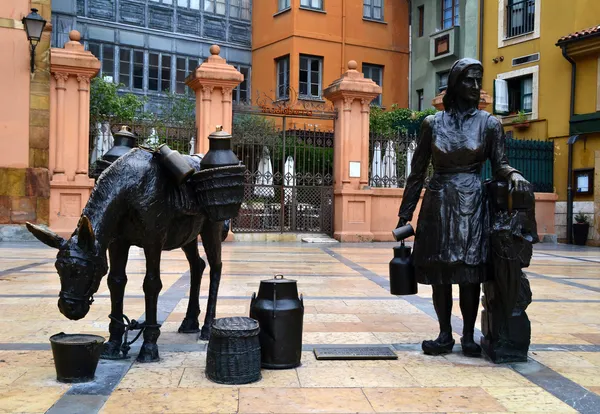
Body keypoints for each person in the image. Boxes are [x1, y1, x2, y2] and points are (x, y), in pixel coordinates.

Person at [395, 58, 530, 357]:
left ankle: (468, 336)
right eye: (469, 80)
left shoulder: (490, 124)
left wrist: (514, 174)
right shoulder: (433, 123)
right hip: (438, 203)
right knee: (441, 273)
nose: (475, 86)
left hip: (471, 201)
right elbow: (417, 172)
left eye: (478, 80)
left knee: (469, 273)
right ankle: (444, 335)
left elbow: (500, 164)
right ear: (455, 84)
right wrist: (405, 214)